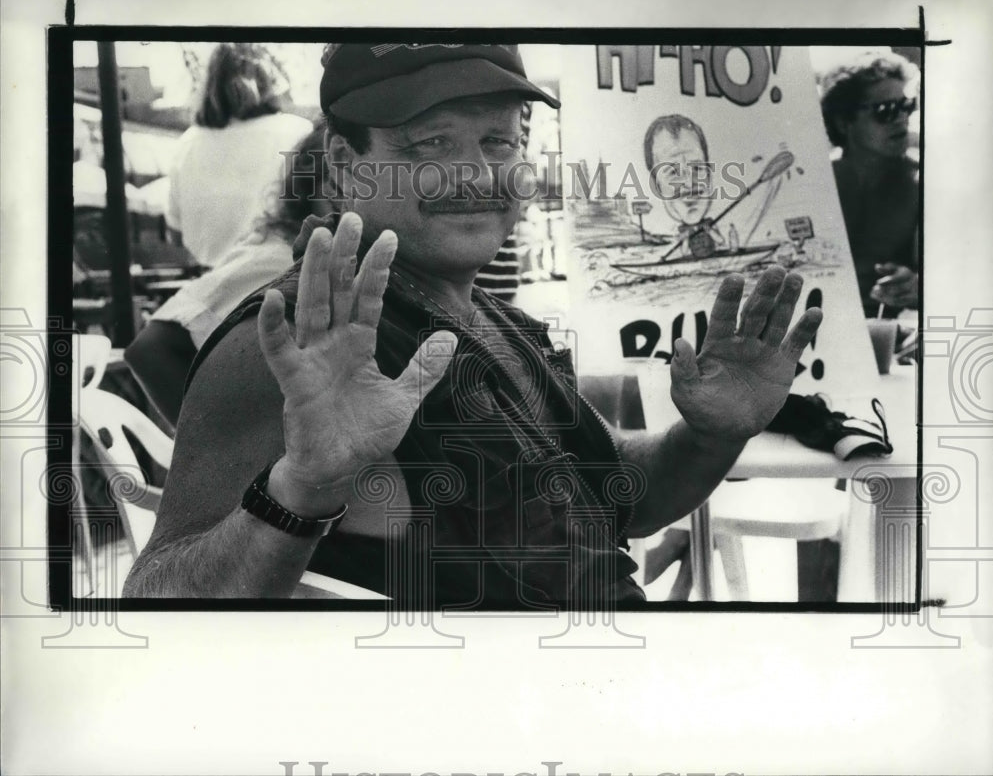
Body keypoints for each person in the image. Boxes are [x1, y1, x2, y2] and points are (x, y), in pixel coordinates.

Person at [123, 43, 821, 607]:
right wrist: (300, 488)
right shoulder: (292, 344)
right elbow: (157, 599)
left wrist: (709, 434)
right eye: (430, 144)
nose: (474, 173)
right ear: (344, 164)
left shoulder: (492, 318)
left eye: (498, 139)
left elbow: (617, 495)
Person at [125, 123, 333, 427]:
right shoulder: (278, 260)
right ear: (307, 187)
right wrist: (224, 454)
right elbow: (149, 349)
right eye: (337, 189)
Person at [166, 43, 313, 268]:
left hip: (214, 283)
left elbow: (174, 232)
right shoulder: (298, 132)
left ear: (210, 83)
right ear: (269, 79)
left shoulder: (186, 143)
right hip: (278, 276)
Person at [819, 51, 920, 317]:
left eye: (907, 105)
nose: (901, 118)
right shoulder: (814, 184)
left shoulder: (922, 185)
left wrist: (917, 287)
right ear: (843, 121)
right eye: (885, 110)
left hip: (889, 334)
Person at [643, 114, 726, 258]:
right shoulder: (684, 232)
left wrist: (709, 230)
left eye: (697, 168)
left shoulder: (710, 225)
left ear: (709, 175)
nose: (689, 183)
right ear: (657, 187)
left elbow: (721, 241)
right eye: (673, 172)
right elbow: (684, 251)